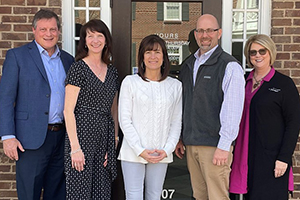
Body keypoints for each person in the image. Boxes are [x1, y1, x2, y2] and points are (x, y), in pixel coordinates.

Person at [0, 9, 74, 200]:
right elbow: (6, 98)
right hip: (30, 140)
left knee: (58, 193)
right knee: (29, 194)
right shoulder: (17, 56)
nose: (48, 34)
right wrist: (8, 136)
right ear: (34, 30)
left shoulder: (68, 60)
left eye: (53, 29)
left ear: (58, 31)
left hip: (62, 138)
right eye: (43, 29)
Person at [175, 14, 245, 200]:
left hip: (215, 146)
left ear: (219, 33)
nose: (204, 35)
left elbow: (233, 110)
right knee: (200, 196)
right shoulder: (189, 64)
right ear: (196, 34)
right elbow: (185, 104)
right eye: (200, 31)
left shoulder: (229, 66)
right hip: (192, 144)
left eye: (209, 30)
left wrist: (224, 145)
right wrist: (181, 137)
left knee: (217, 196)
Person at [229, 34, 300, 200]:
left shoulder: (284, 84)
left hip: (271, 158)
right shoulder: (243, 82)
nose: (257, 55)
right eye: (253, 52)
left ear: (270, 53)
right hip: (245, 155)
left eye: (262, 51)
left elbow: (294, 123)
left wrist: (283, 158)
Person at [118, 34, 182, 200]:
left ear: (164, 57)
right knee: (134, 196)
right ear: (141, 57)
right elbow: (125, 120)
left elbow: (176, 122)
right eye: (148, 52)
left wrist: (167, 149)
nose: (153, 56)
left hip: (160, 153)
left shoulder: (175, 86)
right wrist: (140, 150)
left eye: (157, 52)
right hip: (133, 152)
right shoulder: (130, 82)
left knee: (154, 196)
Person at [63, 19, 119, 199]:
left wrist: (114, 140)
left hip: (104, 137)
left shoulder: (112, 72)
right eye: (90, 36)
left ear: (106, 40)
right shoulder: (78, 68)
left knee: (101, 192)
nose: (95, 40)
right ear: (85, 41)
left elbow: (114, 109)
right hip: (81, 137)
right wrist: (75, 148)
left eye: (99, 36)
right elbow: (68, 110)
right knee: (80, 192)